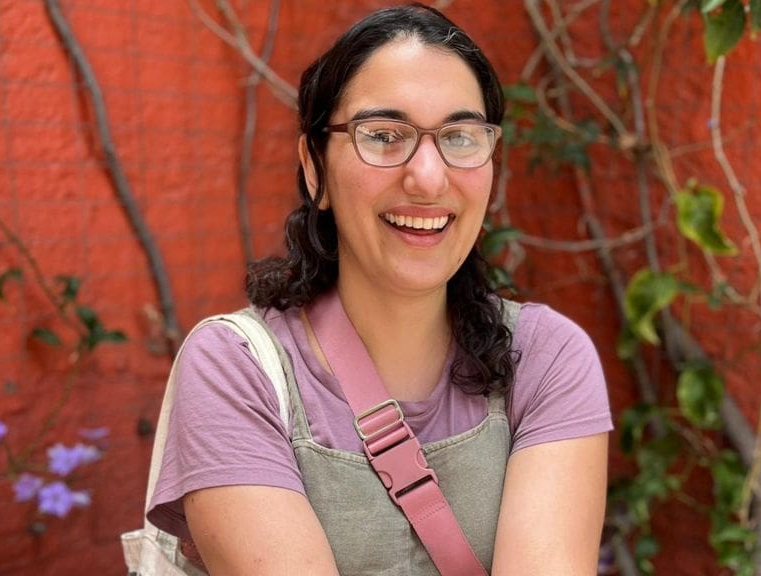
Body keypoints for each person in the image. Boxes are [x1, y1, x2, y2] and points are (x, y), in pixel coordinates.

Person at [146, 4, 613, 574]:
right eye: (385, 135)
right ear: (315, 167)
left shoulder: (546, 357)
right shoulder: (238, 369)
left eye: (460, 137)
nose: (428, 177)